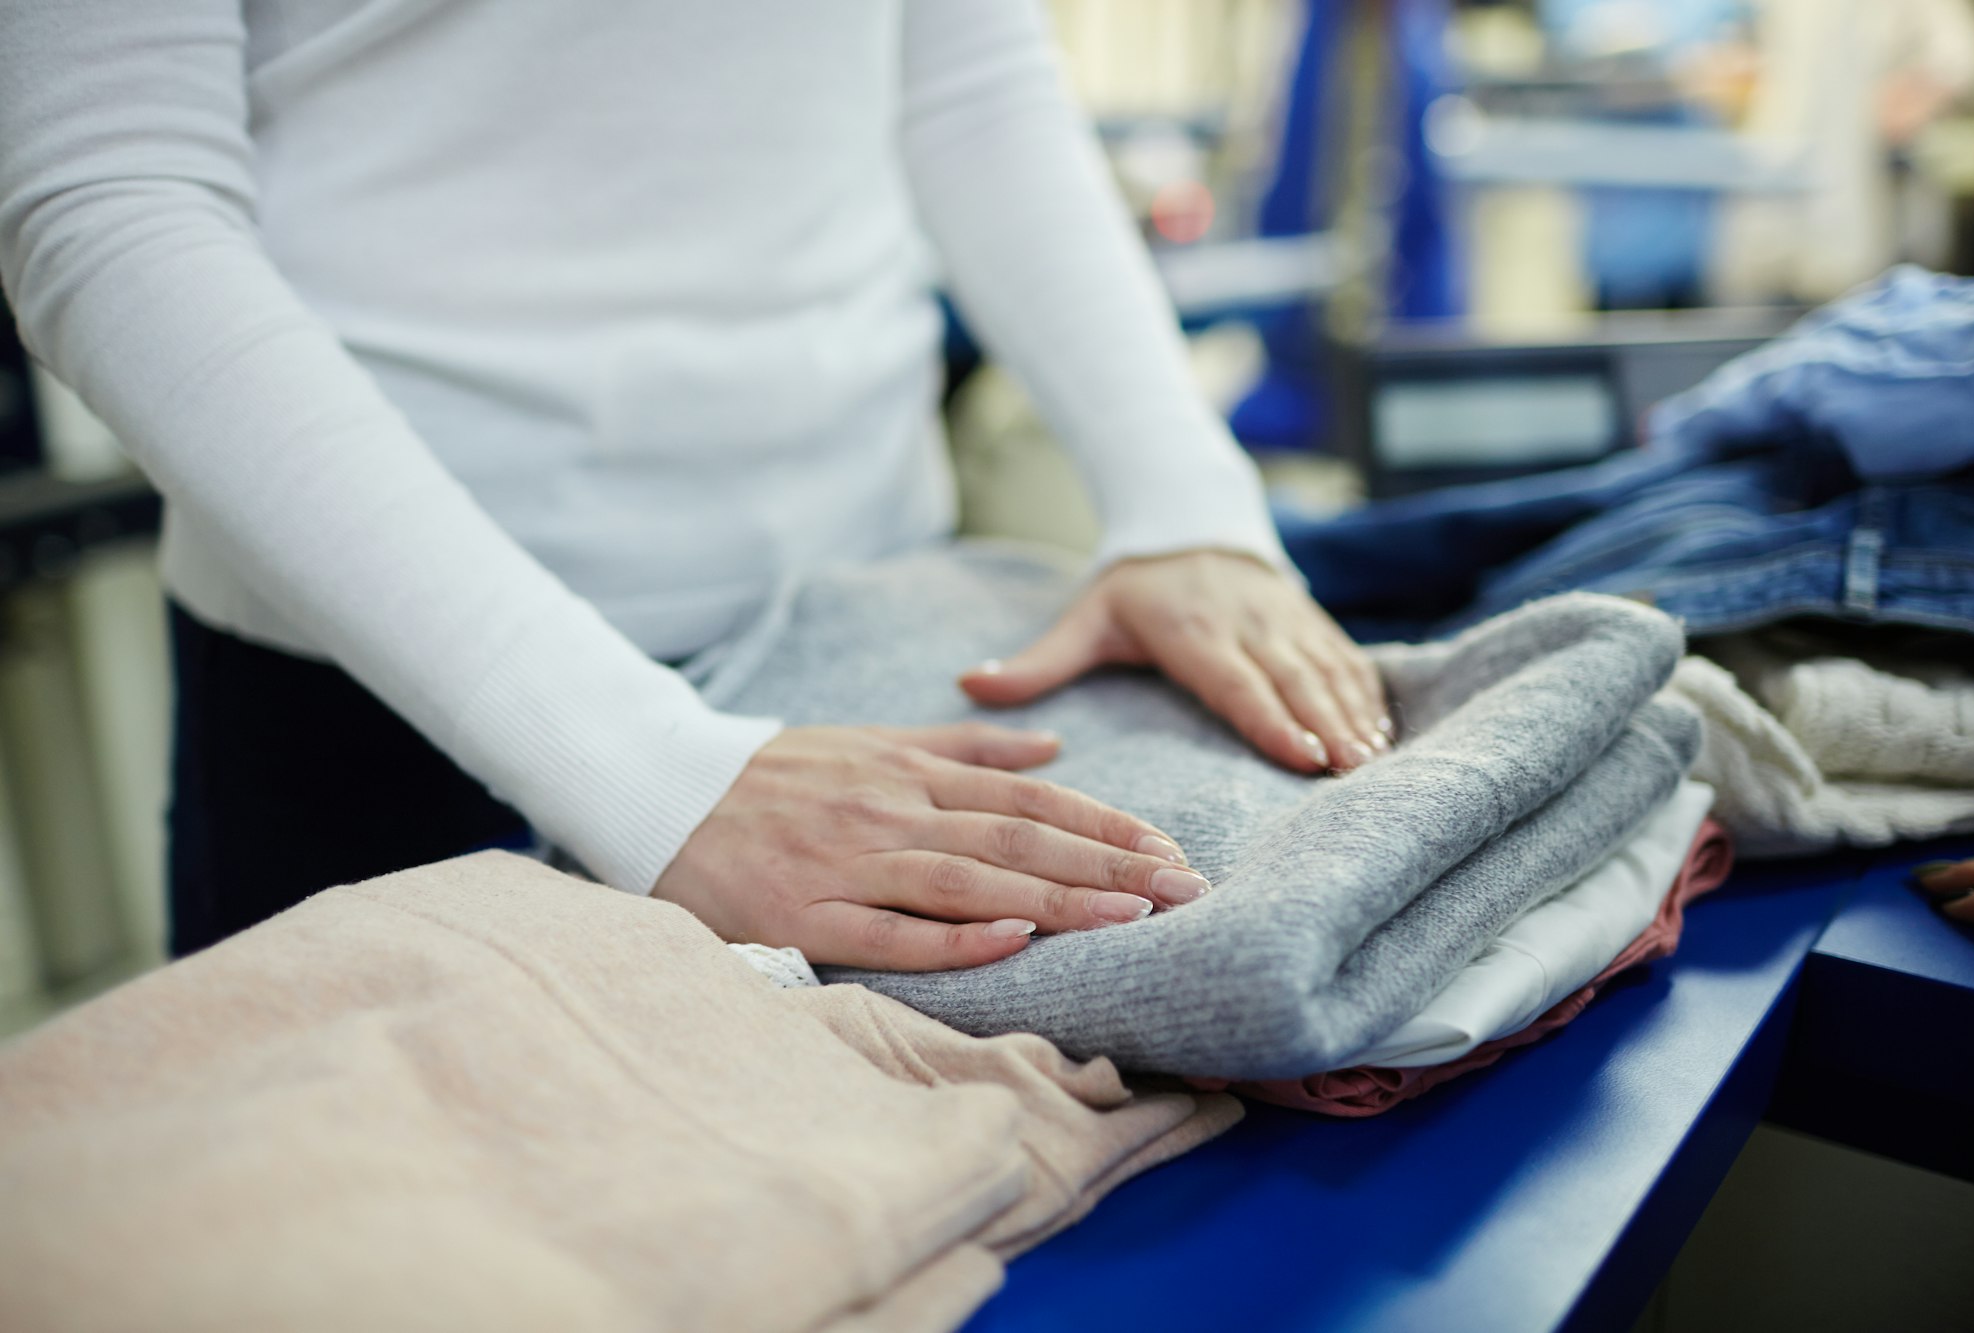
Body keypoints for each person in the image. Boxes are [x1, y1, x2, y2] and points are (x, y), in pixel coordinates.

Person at [0, 1, 1389, 970]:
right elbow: (106, 189)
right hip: (382, 698)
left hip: (879, 643)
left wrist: (1185, 500)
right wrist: (642, 770)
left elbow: (968, 73)